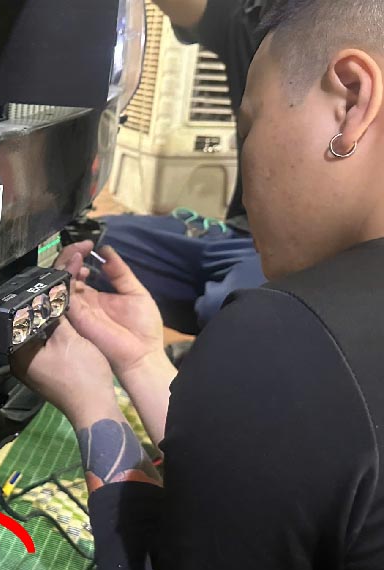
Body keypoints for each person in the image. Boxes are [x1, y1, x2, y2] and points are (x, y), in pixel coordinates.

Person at [13, 0, 384, 570]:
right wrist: (141, 359)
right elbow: (268, 469)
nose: (245, 160)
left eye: (250, 125)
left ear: (352, 99)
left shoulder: (288, 339)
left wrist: (92, 404)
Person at [97, 0, 268, 334]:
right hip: (235, 233)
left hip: (300, 257)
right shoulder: (256, 21)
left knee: (235, 312)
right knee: (86, 251)